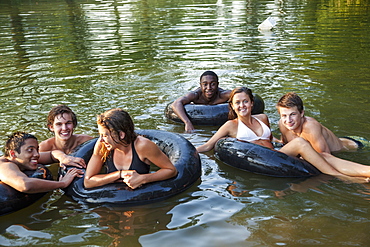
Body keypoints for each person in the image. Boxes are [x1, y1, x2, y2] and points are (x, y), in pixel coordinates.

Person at [196, 87, 370, 181]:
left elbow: (273, 140)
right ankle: (342, 177)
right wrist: (190, 151)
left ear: (251, 103)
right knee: (302, 143)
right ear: (232, 106)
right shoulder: (230, 126)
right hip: (265, 157)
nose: (242, 106)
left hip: (278, 154)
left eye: (245, 102)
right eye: (237, 103)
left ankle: (357, 173)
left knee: (311, 149)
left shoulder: (262, 118)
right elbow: (208, 145)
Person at [84, 108, 177, 189]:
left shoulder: (143, 146)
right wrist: (119, 174)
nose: (100, 140)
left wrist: (143, 179)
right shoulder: (102, 145)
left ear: (121, 135)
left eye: (105, 135)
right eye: (100, 135)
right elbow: (88, 182)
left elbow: (171, 170)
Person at [277, 92, 370, 153]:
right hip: (339, 140)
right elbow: (285, 144)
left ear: (301, 113)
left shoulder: (310, 126)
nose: (288, 120)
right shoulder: (283, 124)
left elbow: (325, 156)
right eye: (284, 115)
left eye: (293, 114)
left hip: (356, 145)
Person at [0, 131, 83, 193]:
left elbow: (51, 154)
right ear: (13, 154)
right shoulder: (5, 165)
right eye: (30, 150)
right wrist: (62, 183)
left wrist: (64, 158)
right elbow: (25, 185)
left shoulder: (22, 159)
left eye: (37, 149)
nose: (36, 154)